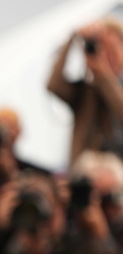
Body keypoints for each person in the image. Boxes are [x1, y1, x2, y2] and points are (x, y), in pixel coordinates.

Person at [48, 17, 123, 164]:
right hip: (85, 174)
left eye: (112, 48)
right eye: (100, 49)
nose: (106, 56)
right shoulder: (85, 91)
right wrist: (72, 39)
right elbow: (54, 85)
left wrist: (104, 76)